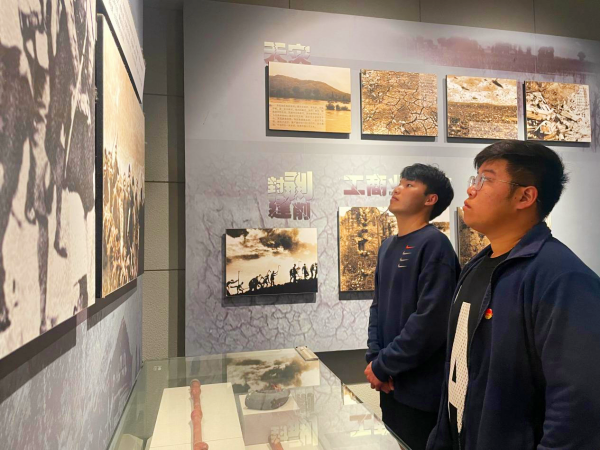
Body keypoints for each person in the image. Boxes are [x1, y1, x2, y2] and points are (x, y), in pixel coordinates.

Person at [427, 140, 600, 450]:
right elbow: (458, 372)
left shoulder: (562, 277)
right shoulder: (477, 266)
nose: (471, 189)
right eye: (475, 178)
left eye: (486, 179)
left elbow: (579, 404)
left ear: (525, 196)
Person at [365, 164, 460, 450]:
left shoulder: (435, 244)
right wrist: (375, 361)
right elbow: (377, 307)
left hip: (420, 388)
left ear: (430, 199)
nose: (397, 189)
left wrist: (383, 365)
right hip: (389, 381)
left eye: (409, 185)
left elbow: (430, 322)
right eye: (400, 183)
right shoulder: (387, 246)